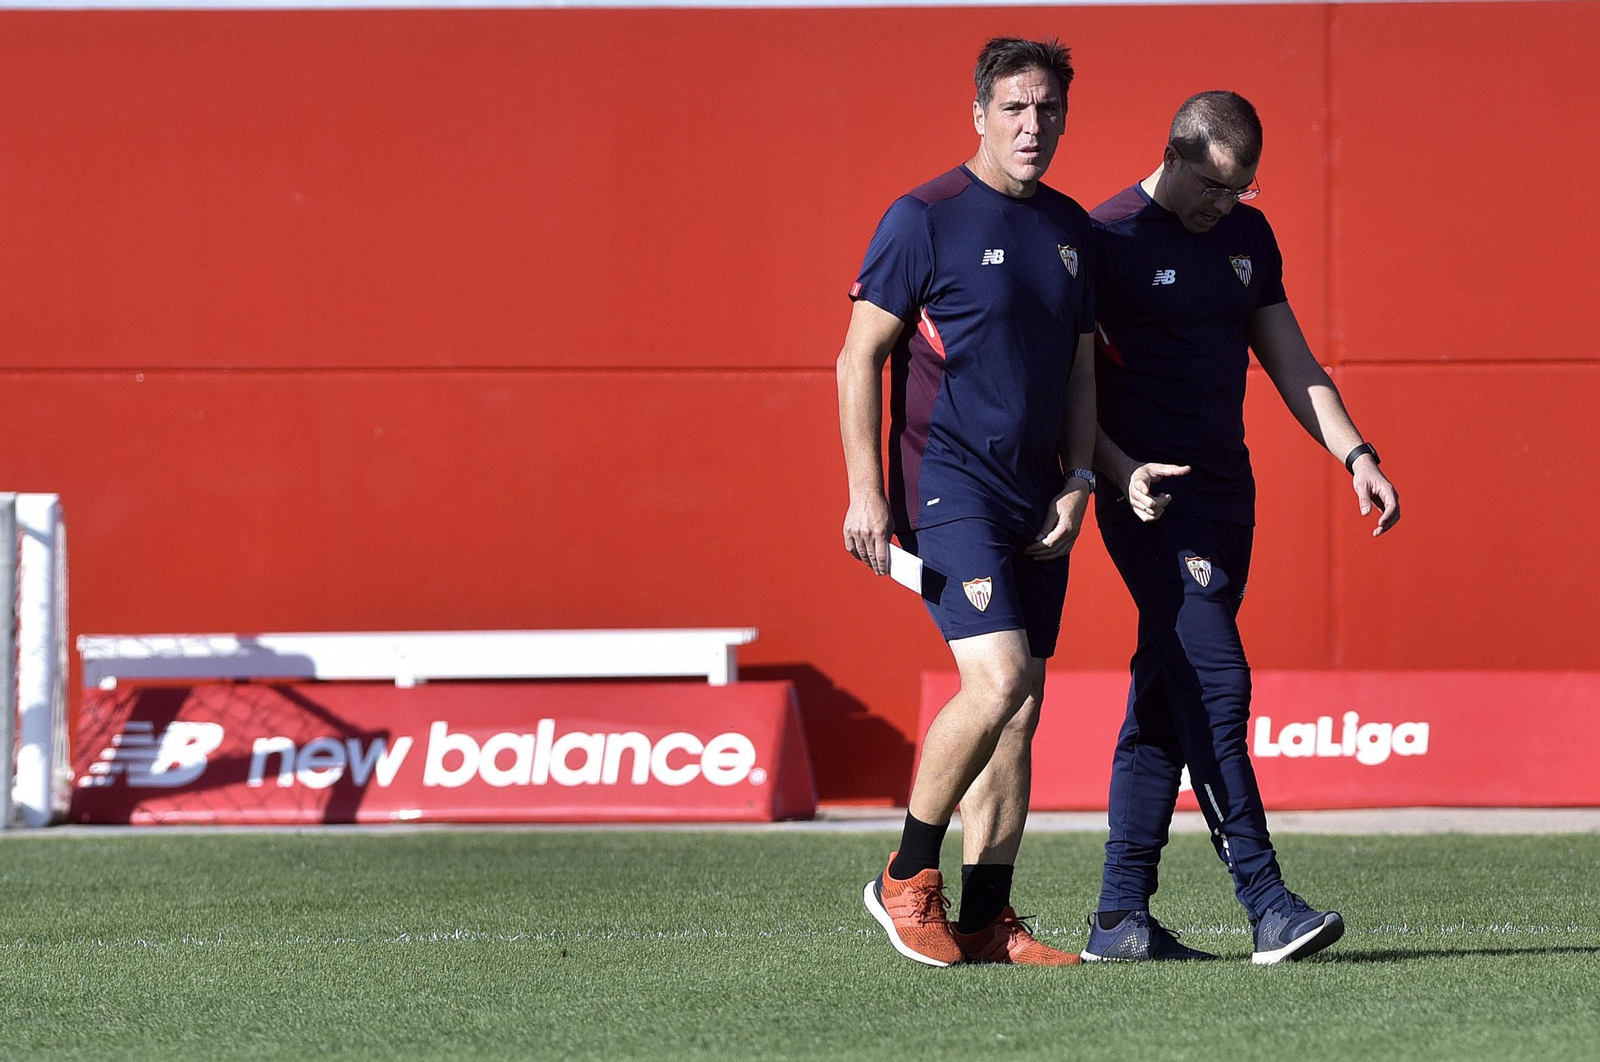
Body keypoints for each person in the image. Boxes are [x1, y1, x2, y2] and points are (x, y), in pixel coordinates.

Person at [1080, 91, 1401, 964]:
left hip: (1229, 500)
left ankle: (1118, 919)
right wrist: (1114, 469)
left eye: (1243, 191)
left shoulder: (1247, 241)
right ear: (1175, 155)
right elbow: (1063, 389)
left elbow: (1290, 358)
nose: (1227, 206)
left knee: (1165, 698)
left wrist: (1356, 454)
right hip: (1147, 501)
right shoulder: (1106, 239)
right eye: (1217, 188)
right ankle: (1265, 901)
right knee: (1216, 682)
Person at [835, 37, 1097, 967]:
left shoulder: (1071, 230)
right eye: (1016, 108)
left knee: (1020, 710)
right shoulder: (924, 217)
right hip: (947, 483)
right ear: (979, 112)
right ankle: (905, 877)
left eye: (1049, 109)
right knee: (997, 682)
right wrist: (867, 492)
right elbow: (857, 355)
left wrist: (1081, 481)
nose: (1034, 127)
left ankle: (988, 919)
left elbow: (1076, 366)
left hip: (1040, 495)